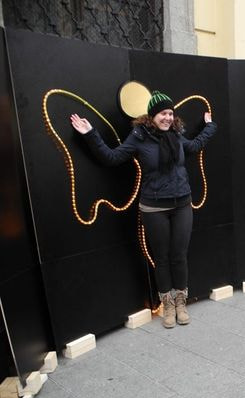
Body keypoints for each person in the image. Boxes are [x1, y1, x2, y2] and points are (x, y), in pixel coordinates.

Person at [70, 90, 217, 329]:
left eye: (170, 113)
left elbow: (194, 146)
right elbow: (112, 157)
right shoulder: (139, 136)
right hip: (154, 207)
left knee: (179, 256)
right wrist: (91, 134)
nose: (168, 118)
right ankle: (167, 305)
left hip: (182, 204)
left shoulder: (177, 134)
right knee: (161, 258)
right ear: (152, 115)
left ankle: (181, 302)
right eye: (163, 113)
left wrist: (209, 127)